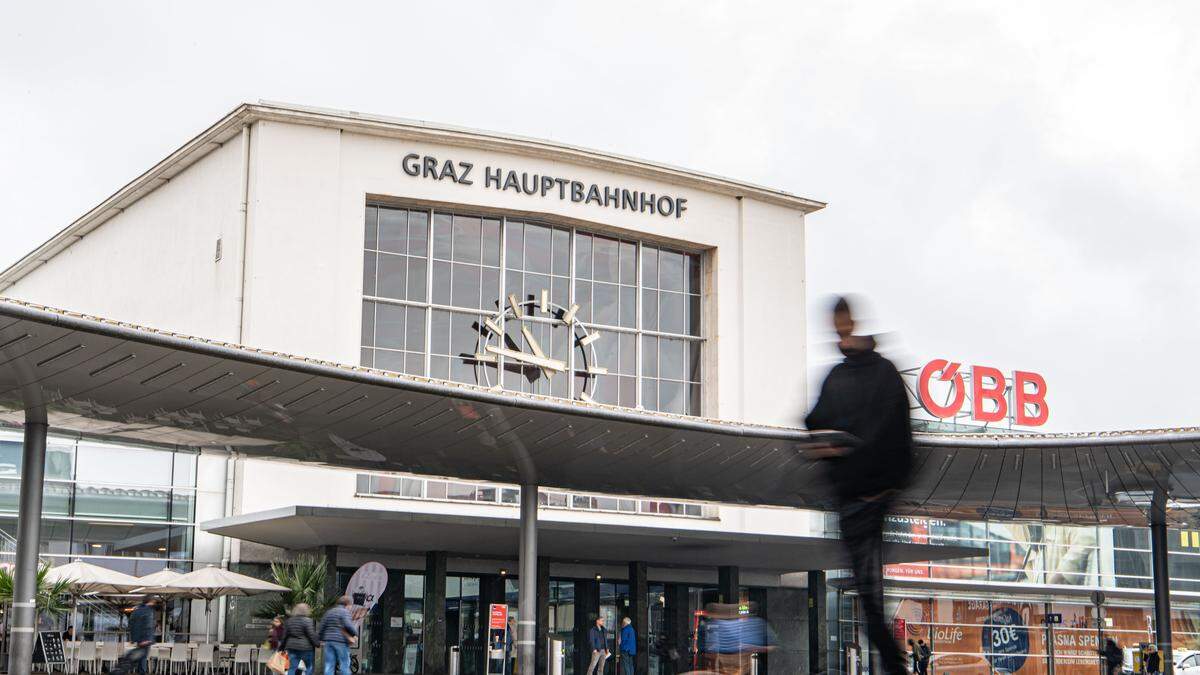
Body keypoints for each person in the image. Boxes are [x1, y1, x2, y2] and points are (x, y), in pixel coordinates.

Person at [806, 296, 913, 675]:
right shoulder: (848, 375)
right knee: (869, 595)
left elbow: (888, 430)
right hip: (864, 494)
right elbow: (815, 421)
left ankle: (895, 666)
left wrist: (838, 450)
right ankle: (893, 665)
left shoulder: (871, 373)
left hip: (864, 494)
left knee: (869, 593)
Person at [318, 596, 359, 675]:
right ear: (347, 604)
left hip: (328, 642)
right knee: (344, 663)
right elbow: (348, 625)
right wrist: (355, 634)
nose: (350, 608)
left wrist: (321, 638)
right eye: (350, 606)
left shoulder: (329, 612)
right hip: (340, 641)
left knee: (329, 664)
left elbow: (322, 626)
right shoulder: (344, 612)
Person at [281, 603, 319, 675]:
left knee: (292, 667)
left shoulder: (289, 621)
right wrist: (317, 643)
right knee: (309, 666)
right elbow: (311, 634)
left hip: (292, 648)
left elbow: (285, 635)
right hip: (306, 648)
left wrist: (281, 647)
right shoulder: (308, 621)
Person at [126, 595, 158, 675]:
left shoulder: (136, 610)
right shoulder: (148, 611)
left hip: (138, 639)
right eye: (153, 601)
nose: (154, 602)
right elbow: (148, 625)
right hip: (145, 639)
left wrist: (133, 638)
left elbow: (131, 624)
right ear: (150, 601)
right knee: (143, 658)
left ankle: (136, 670)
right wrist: (147, 639)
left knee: (140, 657)